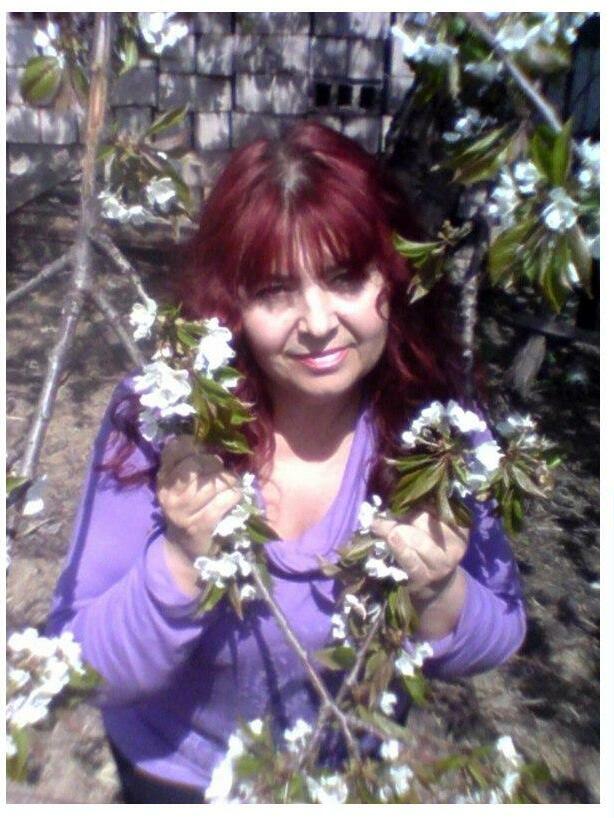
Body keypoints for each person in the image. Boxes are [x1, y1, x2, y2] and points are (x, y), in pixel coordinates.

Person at [47, 122, 526, 803]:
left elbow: (499, 634)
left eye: (345, 278)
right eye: (275, 290)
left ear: (393, 277)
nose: (319, 323)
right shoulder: (161, 420)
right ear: (231, 305)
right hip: (174, 774)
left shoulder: (440, 434)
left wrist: (436, 594)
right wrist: (181, 561)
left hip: (339, 778)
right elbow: (81, 666)